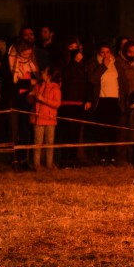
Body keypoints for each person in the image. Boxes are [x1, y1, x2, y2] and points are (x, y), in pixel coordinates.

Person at [86, 42, 129, 165]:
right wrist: (103, 66)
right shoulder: (94, 63)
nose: (105, 55)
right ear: (99, 53)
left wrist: (124, 97)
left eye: (107, 52)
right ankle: (101, 156)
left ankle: (112, 155)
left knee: (113, 130)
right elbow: (92, 79)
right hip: (101, 100)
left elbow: (124, 81)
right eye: (102, 52)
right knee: (101, 130)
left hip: (115, 100)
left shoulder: (117, 63)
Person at [2, 37, 40, 171]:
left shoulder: (31, 62)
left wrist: (33, 85)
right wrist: (29, 83)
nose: (27, 57)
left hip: (26, 99)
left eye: (29, 54)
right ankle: (14, 159)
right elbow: (11, 83)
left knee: (25, 129)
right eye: (24, 54)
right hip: (14, 99)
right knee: (14, 130)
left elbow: (35, 76)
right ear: (19, 52)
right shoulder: (9, 62)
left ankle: (24, 158)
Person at [58, 36, 92, 168]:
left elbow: (87, 81)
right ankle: (64, 160)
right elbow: (64, 77)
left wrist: (88, 99)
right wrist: (74, 62)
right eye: (70, 48)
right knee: (68, 133)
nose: (73, 50)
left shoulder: (84, 63)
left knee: (76, 134)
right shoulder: (63, 63)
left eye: (75, 47)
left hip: (80, 102)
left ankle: (72, 159)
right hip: (67, 102)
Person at [28, 65, 61, 171]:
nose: (42, 72)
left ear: (49, 76)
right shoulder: (38, 86)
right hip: (38, 118)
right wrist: (31, 96)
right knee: (37, 142)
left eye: (45, 71)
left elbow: (57, 104)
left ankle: (49, 164)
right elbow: (30, 101)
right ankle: (36, 164)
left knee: (49, 142)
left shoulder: (55, 89)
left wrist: (43, 99)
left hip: (50, 119)